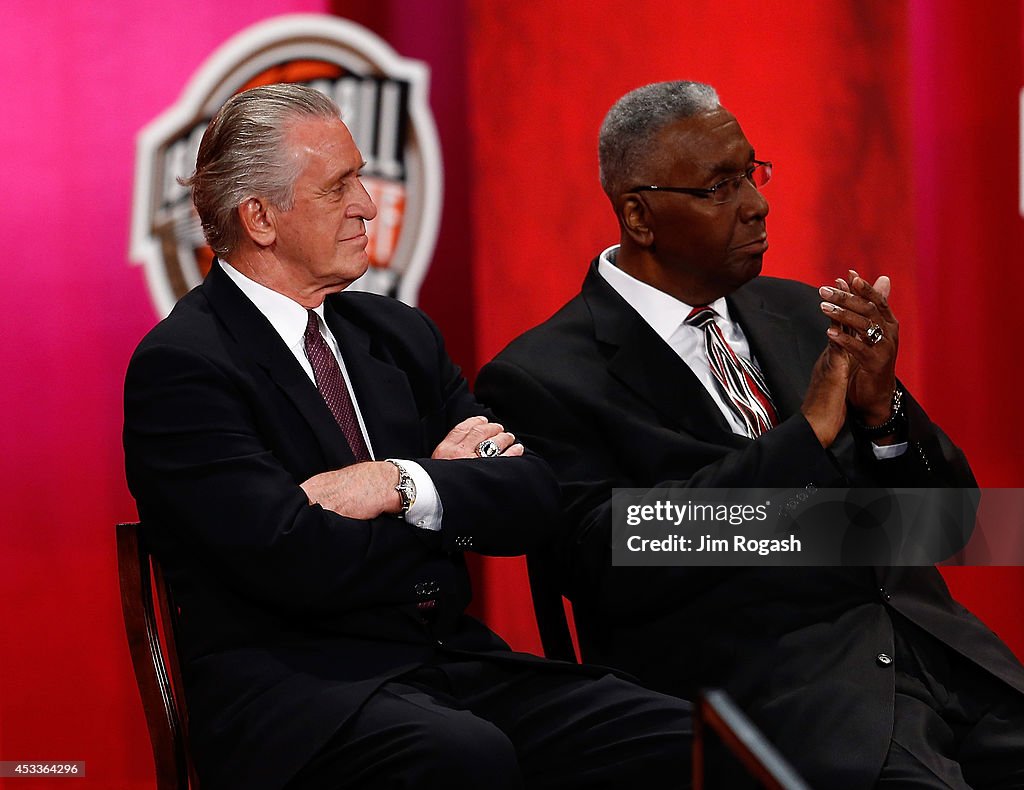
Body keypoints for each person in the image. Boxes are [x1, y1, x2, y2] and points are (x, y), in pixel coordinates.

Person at [123, 83, 693, 790]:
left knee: (673, 737)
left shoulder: (397, 335)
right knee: (462, 756)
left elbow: (530, 497)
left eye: (362, 176)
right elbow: (293, 560)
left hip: (447, 662)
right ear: (261, 218)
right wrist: (447, 506)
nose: (367, 203)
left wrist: (400, 483)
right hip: (302, 698)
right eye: (340, 187)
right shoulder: (185, 366)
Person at [476, 80, 1024, 789]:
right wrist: (807, 437)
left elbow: (951, 525)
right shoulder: (544, 377)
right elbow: (613, 564)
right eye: (720, 187)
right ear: (639, 216)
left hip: (947, 662)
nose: (758, 205)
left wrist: (883, 409)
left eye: (752, 174)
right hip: (786, 701)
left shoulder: (800, 312)